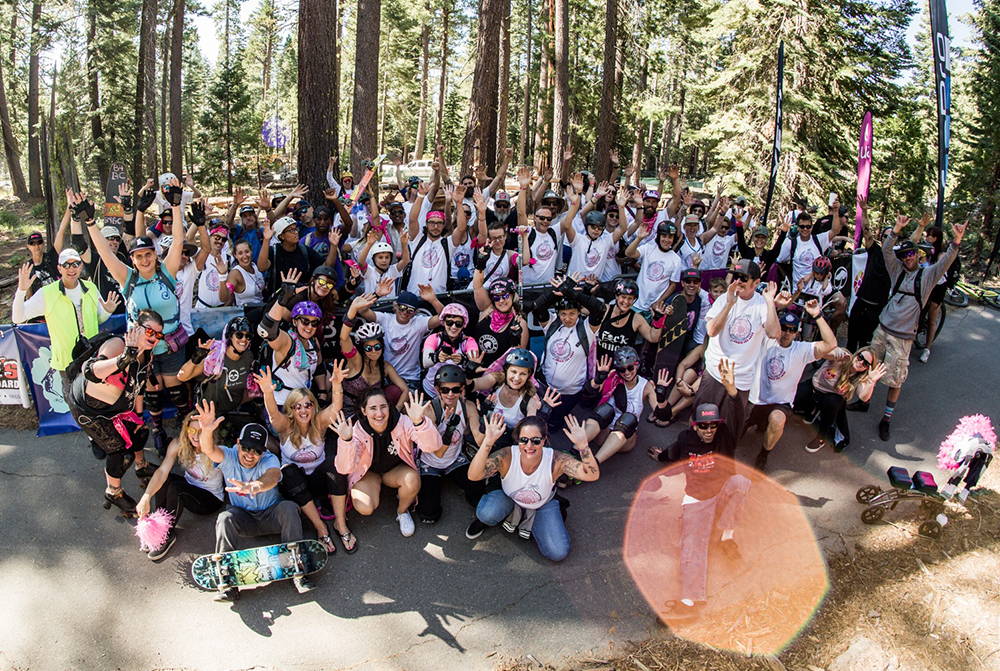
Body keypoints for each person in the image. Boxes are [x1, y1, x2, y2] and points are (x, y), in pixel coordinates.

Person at [86, 198, 190, 456]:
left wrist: (176, 207)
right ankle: (156, 430)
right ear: (132, 260)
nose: (144, 260)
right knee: (151, 392)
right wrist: (90, 223)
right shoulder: (128, 279)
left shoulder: (166, 273)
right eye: (138, 256)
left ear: (155, 255)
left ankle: (186, 428)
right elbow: (105, 254)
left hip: (171, 344)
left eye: (148, 255)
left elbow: (178, 241)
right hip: (142, 350)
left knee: (177, 390)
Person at [862, 216, 964, 441]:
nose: (907, 258)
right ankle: (863, 400)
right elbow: (886, 251)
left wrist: (956, 241)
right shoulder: (897, 271)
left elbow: (945, 262)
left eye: (910, 254)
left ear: (917, 254)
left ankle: (886, 419)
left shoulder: (927, 276)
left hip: (902, 337)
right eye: (904, 255)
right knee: (867, 366)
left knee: (895, 380)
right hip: (882, 330)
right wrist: (897, 229)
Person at [647, 403, 750, 621]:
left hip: (722, 489)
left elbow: (740, 414)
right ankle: (689, 602)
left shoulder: (724, 437)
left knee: (742, 482)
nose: (709, 430)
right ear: (695, 426)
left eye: (713, 425)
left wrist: (733, 393)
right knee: (693, 546)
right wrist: (660, 456)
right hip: (698, 499)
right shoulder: (686, 440)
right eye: (704, 426)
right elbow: (672, 452)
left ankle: (726, 536)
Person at [198, 411, 313, 600]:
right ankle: (227, 580)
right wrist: (206, 432)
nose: (250, 454)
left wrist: (254, 486)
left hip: (271, 515)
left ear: (264, 451)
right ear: (238, 444)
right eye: (247, 447)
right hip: (244, 519)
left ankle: (297, 568)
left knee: (289, 508)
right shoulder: (229, 455)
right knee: (224, 518)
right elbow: (209, 450)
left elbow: (273, 476)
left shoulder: (270, 459)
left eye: (257, 450)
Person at [66, 316, 162, 515]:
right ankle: (114, 492)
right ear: (136, 328)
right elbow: (92, 371)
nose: (154, 338)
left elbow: (139, 387)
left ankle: (141, 466)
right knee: (118, 452)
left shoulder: (147, 355)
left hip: (116, 408)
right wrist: (125, 356)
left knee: (139, 432)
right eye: (150, 331)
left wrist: (138, 416)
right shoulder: (118, 344)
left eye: (159, 334)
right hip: (89, 410)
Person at [469, 414, 599, 561]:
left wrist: (583, 447)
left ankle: (536, 523)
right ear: (518, 440)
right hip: (509, 498)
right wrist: (487, 442)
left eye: (535, 441)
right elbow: (473, 475)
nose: (529, 446)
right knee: (486, 514)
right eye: (524, 440)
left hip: (542, 504)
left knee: (558, 552)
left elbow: (591, 475)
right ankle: (514, 517)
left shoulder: (557, 460)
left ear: (544, 440)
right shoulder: (507, 455)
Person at [255, 366, 351, 555]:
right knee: (288, 471)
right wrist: (267, 392)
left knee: (334, 463)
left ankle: (341, 524)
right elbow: (273, 413)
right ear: (291, 410)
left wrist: (337, 385)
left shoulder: (320, 423)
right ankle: (321, 528)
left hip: (319, 481)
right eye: (297, 406)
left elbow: (336, 408)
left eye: (308, 405)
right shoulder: (285, 427)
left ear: (314, 407)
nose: (303, 410)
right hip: (295, 487)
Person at [331, 389, 442, 537]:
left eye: (383, 406)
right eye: (373, 408)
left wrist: (419, 423)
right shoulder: (356, 430)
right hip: (368, 474)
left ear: (389, 406)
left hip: (394, 471)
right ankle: (377, 488)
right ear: (364, 411)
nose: (379, 413)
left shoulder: (402, 422)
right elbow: (345, 468)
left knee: (412, 480)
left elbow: (432, 447)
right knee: (365, 507)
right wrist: (346, 441)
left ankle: (402, 511)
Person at [745, 303, 837, 470]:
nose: (786, 333)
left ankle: (764, 454)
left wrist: (817, 316)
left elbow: (830, 344)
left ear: (797, 333)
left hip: (780, 402)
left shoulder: (802, 350)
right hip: (754, 398)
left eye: (791, 330)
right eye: (784, 328)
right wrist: (774, 304)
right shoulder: (765, 339)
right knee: (733, 432)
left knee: (777, 420)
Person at [694, 260, 781, 431]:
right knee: (700, 419)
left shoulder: (761, 305)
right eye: (736, 276)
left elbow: (774, 333)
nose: (738, 281)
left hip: (740, 379)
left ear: (756, 282)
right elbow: (711, 331)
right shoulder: (724, 299)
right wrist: (729, 304)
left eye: (744, 278)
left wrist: (770, 302)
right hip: (714, 373)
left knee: (729, 427)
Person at [134, 407, 227, 560]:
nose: (196, 436)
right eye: (192, 430)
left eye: (201, 431)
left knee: (177, 489)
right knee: (166, 479)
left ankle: (167, 534)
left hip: (210, 500)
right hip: (189, 486)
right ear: (186, 430)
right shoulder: (178, 444)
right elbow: (162, 472)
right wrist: (146, 497)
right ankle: (156, 527)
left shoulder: (215, 451)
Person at [13, 248, 119, 373]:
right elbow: (18, 318)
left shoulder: (91, 288)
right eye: (66, 265)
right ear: (59, 268)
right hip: (67, 364)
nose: (71, 269)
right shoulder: (47, 293)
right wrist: (21, 291)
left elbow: (98, 319)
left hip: (92, 360)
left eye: (75, 264)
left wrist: (107, 311)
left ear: (81, 267)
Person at [417, 364, 489, 536]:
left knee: (478, 494)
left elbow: (479, 440)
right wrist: (449, 429)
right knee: (429, 514)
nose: (450, 394)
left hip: (455, 460)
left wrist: (485, 421)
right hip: (430, 463)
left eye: (455, 389)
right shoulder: (429, 411)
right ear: (437, 390)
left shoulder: (468, 406)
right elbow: (438, 452)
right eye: (445, 390)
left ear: (462, 390)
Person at [584, 346, 674, 464]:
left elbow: (664, 417)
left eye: (630, 368)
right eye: (622, 369)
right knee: (605, 410)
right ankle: (574, 451)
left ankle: (593, 463)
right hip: (603, 431)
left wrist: (661, 398)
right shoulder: (613, 376)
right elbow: (587, 395)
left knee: (628, 419)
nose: (626, 372)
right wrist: (598, 379)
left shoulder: (646, 386)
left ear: (637, 365)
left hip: (624, 436)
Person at [177, 316, 257, 438]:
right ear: (230, 336)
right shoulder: (215, 357)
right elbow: (181, 377)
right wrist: (197, 358)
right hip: (206, 415)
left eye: (248, 336)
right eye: (239, 335)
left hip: (229, 414)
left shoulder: (249, 356)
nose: (244, 339)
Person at [349, 288, 444, 390]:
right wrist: (377, 294)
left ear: (415, 312)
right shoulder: (385, 319)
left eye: (410, 310)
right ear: (395, 306)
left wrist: (433, 300)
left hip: (409, 377)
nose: (405, 312)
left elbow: (444, 317)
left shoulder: (419, 323)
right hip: (385, 375)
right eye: (402, 307)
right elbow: (362, 310)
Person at [794, 347, 886, 452]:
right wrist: (834, 353)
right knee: (794, 399)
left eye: (865, 363)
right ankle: (811, 411)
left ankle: (821, 437)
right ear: (857, 354)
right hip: (814, 387)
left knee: (833, 401)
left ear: (867, 368)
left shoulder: (860, 377)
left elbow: (863, 397)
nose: (860, 362)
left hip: (830, 400)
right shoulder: (844, 356)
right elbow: (825, 353)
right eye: (860, 357)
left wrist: (871, 382)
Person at [257, 294, 328, 406]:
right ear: (295, 322)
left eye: (314, 323)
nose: (309, 327)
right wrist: (281, 301)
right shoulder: (288, 341)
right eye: (305, 321)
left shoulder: (313, 342)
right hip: (281, 404)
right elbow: (267, 331)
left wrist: (322, 393)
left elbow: (319, 367)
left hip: (304, 404)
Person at [910, 218, 960, 363]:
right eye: (926, 235)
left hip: (937, 287)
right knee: (915, 311)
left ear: (936, 238)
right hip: (924, 285)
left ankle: (927, 348)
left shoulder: (941, 254)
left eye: (930, 236)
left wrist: (926, 263)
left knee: (932, 317)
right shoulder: (923, 250)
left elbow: (937, 272)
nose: (927, 238)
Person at [337, 313, 410, 412]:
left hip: (375, 413)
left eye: (377, 347)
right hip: (351, 412)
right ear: (362, 349)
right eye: (368, 348)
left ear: (382, 346)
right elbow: (344, 338)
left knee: (395, 391)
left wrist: (396, 410)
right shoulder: (356, 361)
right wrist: (352, 311)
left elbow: (405, 390)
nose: (374, 351)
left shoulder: (385, 367)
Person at [776, 203, 844, 287]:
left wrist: (836, 211)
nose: (805, 229)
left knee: (840, 299)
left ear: (812, 227)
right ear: (797, 227)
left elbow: (835, 231)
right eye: (802, 226)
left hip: (818, 290)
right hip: (798, 290)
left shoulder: (818, 240)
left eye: (808, 226)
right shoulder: (790, 243)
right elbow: (779, 261)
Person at [421, 302, 480, 398]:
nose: (453, 327)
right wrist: (436, 357)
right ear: (443, 322)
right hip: (430, 391)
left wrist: (464, 361)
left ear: (463, 325)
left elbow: (473, 361)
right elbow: (425, 362)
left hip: (454, 394)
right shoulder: (434, 338)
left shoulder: (469, 341)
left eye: (458, 324)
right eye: (449, 322)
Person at [470, 275, 530, 367]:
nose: (501, 301)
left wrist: (515, 340)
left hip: (500, 372)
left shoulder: (520, 322)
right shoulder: (486, 310)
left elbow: (520, 358)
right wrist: (480, 267)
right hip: (476, 366)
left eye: (505, 296)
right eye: (496, 297)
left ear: (513, 296)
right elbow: (477, 286)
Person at [626, 220, 683, 315]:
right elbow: (629, 253)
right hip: (636, 302)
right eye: (664, 236)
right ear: (659, 236)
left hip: (654, 308)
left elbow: (673, 285)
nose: (666, 240)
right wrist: (639, 238)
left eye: (670, 237)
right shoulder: (648, 248)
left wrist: (659, 301)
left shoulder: (676, 259)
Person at [358, 229, 410, 299]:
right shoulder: (369, 271)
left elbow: (405, 260)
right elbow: (361, 262)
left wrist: (404, 244)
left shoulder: (392, 270)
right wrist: (368, 244)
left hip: (389, 306)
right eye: (380, 257)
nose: (384, 260)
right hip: (371, 306)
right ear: (374, 259)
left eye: (387, 257)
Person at [218, 239, 265, 306]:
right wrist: (222, 276)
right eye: (240, 253)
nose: (245, 256)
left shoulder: (254, 266)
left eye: (247, 251)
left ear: (251, 252)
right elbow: (224, 298)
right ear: (235, 255)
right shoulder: (235, 273)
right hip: (246, 313)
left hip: (261, 310)